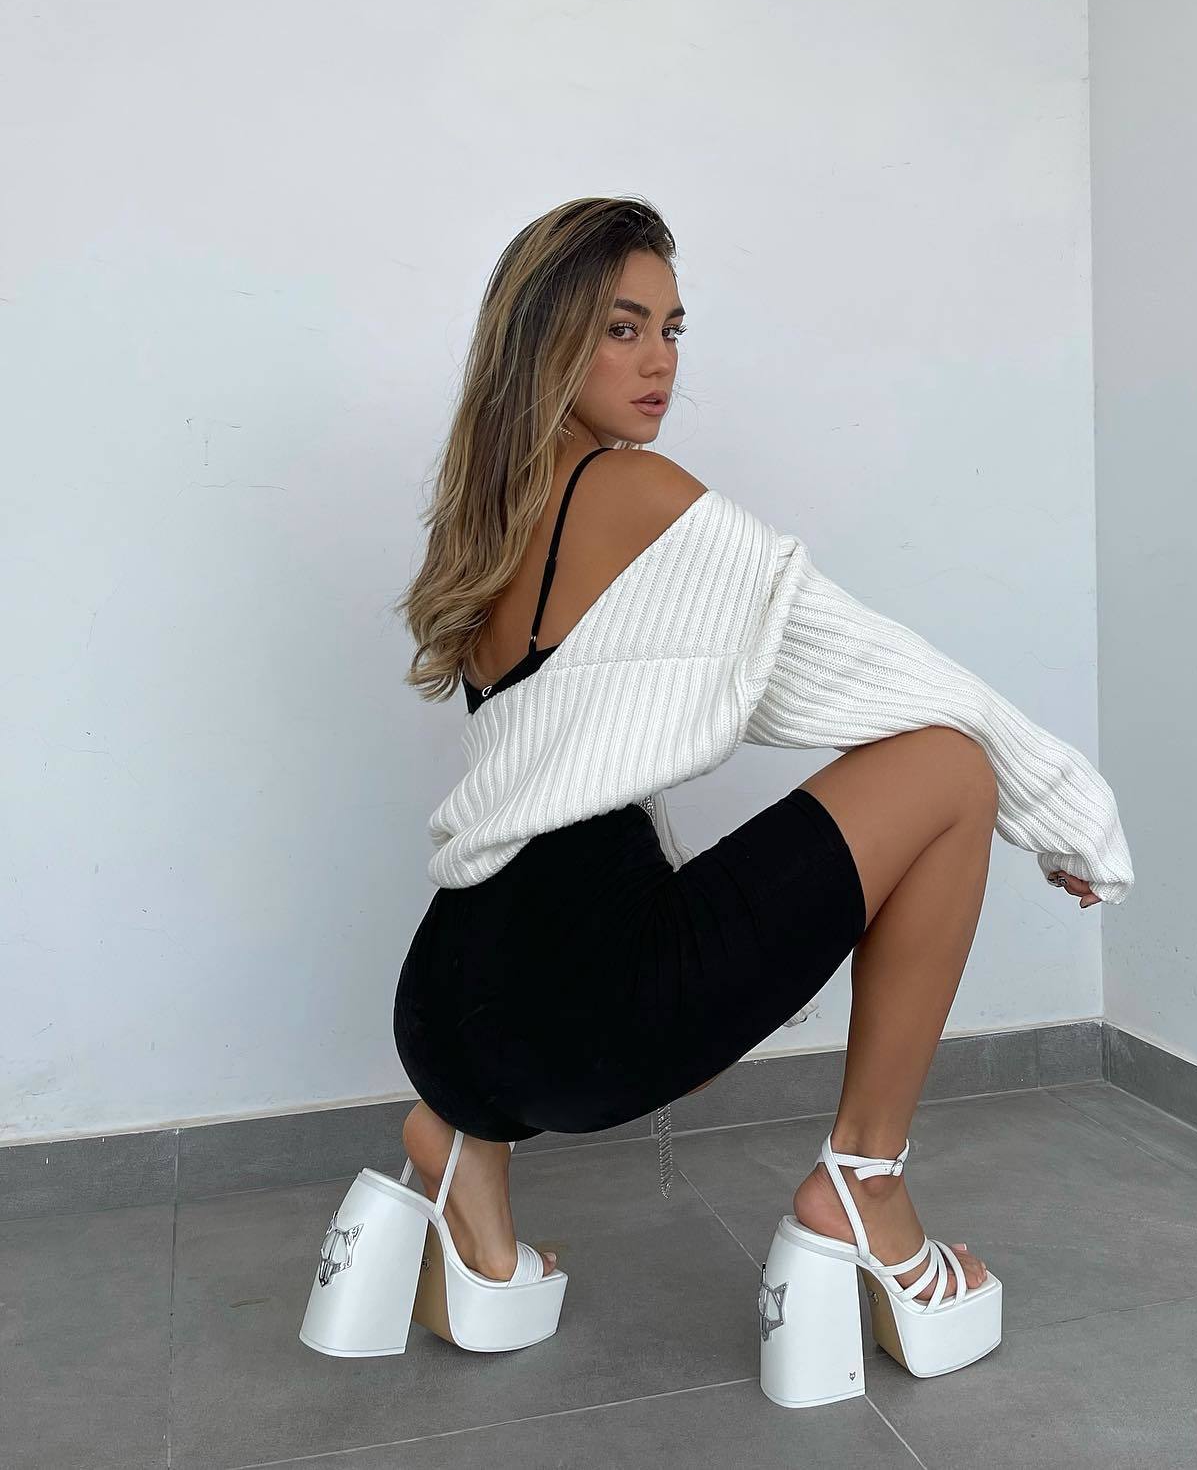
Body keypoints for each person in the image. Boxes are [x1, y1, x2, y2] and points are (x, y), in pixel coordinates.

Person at [383, 195, 1132, 1376]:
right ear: (546, 338)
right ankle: (864, 1183)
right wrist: (1067, 809)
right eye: (622, 328)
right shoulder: (631, 493)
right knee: (951, 766)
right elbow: (867, 663)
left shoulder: (485, 518)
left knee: (883, 780)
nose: (659, 361)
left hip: (445, 1010)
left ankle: (462, 1160)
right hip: (582, 1020)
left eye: (672, 329)